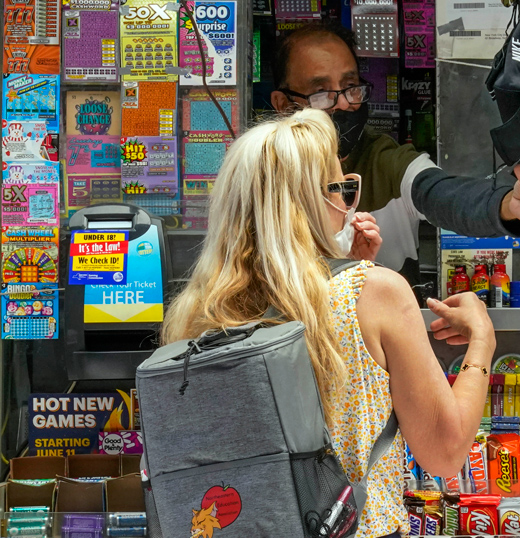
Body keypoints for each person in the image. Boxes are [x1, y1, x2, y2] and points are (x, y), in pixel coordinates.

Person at [162, 109, 497, 538]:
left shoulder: (197, 310)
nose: (346, 205)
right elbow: (445, 451)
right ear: (308, 203)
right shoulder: (376, 293)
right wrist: (482, 340)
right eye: (340, 190)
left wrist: (352, 269)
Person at [269, 20, 520, 281]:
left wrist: (507, 203)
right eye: (322, 93)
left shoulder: (385, 162)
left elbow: (444, 194)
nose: (343, 103)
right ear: (283, 104)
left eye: (351, 87)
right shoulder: (262, 179)